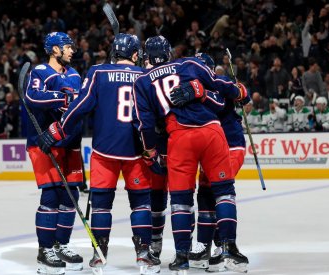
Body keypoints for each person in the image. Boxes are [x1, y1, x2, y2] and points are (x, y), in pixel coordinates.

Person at [37, 33, 160, 274]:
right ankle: (144, 255)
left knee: (102, 207)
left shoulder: (98, 72)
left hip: (104, 151)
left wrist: (57, 130)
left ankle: (99, 256)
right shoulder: (145, 75)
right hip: (136, 150)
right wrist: (155, 149)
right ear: (135, 54)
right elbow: (155, 114)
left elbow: (80, 106)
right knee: (141, 205)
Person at [133, 36, 249, 274]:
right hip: (212, 132)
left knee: (180, 202)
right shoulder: (187, 64)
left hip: (180, 137)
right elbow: (219, 83)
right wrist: (238, 92)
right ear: (168, 53)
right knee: (224, 192)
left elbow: (144, 124)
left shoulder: (142, 81)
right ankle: (229, 249)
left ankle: (182, 257)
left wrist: (151, 150)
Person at [179, 53, 248, 273]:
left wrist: (240, 91)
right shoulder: (196, 86)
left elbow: (240, 97)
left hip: (231, 145)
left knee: (217, 193)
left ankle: (222, 246)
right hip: (211, 148)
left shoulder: (216, 83)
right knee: (205, 194)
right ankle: (203, 247)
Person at [25, 32, 84, 275]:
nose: (72, 51)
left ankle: (62, 245)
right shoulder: (39, 71)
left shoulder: (74, 74)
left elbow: (79, 105)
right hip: (44, 142)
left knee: (71, 197)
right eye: (68, 47)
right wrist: (61, 96)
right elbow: (31, 97)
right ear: (54, 50)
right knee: (51, 197)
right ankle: (45, 249)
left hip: (68, 142)